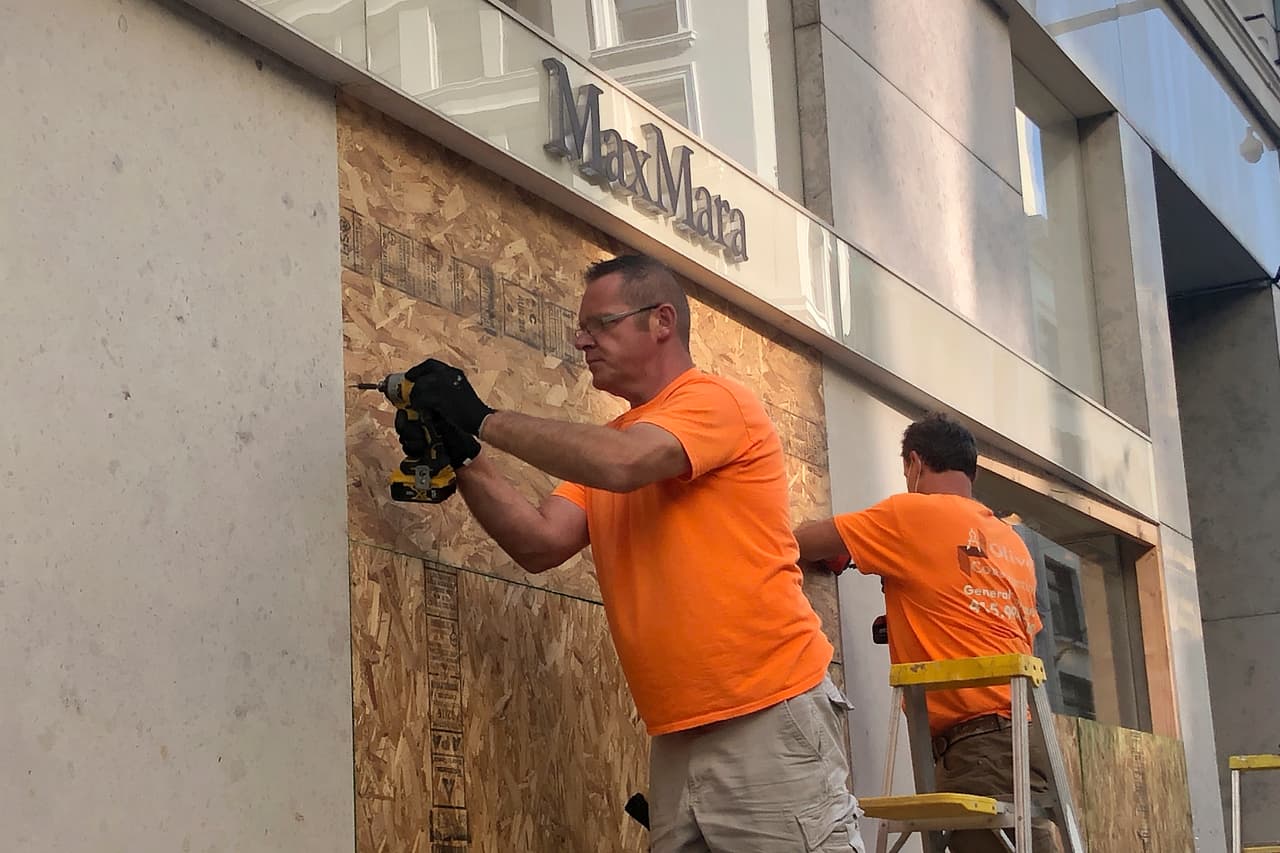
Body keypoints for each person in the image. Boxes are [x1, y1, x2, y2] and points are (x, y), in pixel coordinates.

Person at [397, 254, 865, 853]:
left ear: (661, 321)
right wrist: (464, 454)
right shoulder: (612, 444)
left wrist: (482, 418)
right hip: (677, 735)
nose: (580, 339)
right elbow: (540, 543)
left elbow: (627, 466)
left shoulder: (716, 403)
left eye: (601, 324)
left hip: (767, 715)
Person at [793, 413, 1060, 853]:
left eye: (906, 473)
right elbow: (991, 621)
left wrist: (844, 548)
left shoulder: (912, 513)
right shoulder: (1009, 543)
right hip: (1022, 739)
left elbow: (800, 542)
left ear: (915, 464)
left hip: (977, 749)